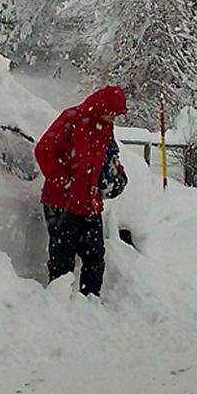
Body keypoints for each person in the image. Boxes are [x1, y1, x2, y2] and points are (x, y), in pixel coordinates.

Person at [34, 85, 128, 296]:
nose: (113, 119)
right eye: (110, 114)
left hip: (90, 203)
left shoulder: (105, 128)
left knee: (95, 257)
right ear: (100, 107)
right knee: (62, 259)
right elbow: (44, 150)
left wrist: (117, 175)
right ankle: (60, 302)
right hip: (61, 202)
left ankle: (90, 302)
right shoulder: (72, 119)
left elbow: (108, 159)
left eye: (116, 116)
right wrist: (63, 181)